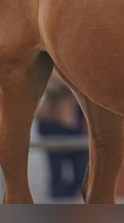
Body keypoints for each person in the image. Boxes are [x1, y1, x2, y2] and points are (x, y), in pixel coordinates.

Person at [35, 72, 88, 200]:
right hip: (53, 126)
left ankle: (65, 201)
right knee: (57, 175)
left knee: (84, 172)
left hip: (73, 126)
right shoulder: (50, 63)